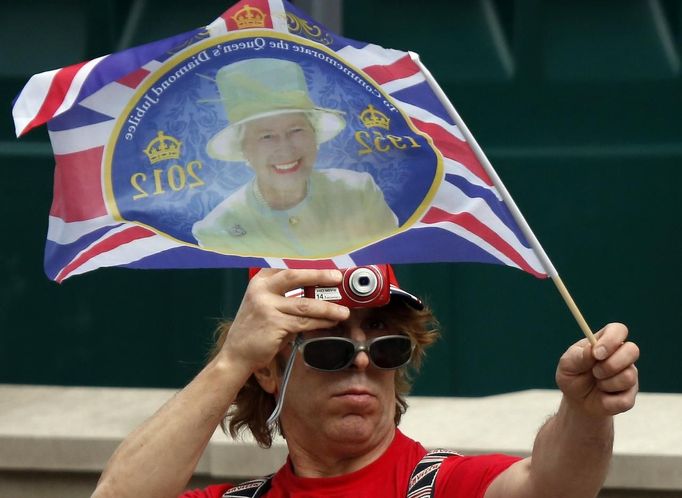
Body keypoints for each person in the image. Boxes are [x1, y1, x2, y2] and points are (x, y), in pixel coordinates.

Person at [92, 266, 640, 498]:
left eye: (385, 343)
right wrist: (230, 361)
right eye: (328, 344)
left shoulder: (443, 486)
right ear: (268, 370)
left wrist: (586, 410)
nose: (361, 360)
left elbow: (551, 486)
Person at [192, 58, 398, 257]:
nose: (285, 148)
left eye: (296, 130)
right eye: (267, 136)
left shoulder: (358, 192)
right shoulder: (218, 228)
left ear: (314, 135)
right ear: (244, 150)